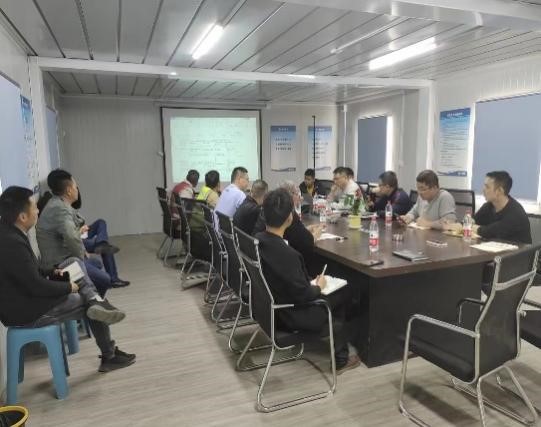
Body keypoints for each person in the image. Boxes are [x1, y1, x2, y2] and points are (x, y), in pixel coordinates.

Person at [0, 186, 135, 372]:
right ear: (22, 216)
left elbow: (31, 272)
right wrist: (68, 288)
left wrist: (52, 271)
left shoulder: (9, 233)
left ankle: (94, 299)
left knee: (74, 262)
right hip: (28, 311)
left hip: (27, 300)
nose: (37, 210)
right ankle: (109, 355)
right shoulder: (12, 243)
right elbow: (36, 286)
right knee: (88, 303)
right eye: (34, 207)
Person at [255, 188, 360, 374]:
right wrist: (318, 287)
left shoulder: (258, 241)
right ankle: (341, 358)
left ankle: (339, 345)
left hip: (268, 310)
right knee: (344, 292)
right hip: (291, 315)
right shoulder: (288, 255)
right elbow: (305, 295)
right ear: (290, 217)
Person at [37, 170, 113, 296]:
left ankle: (91, 298)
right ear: (69, 190)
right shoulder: (59, 208)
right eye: (75, 186)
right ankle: (91, 303)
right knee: (105, 280)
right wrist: (82, 255)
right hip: (58, 266)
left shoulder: (59, 203)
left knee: (97, 263)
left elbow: (72, 232)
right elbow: (71, 237)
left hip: (64, 257)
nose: (77, 189)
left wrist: (82, 251)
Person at [253, 181, 324, 277]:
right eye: (297, 194)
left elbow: (291, 233)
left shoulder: (267, 211)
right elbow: (307, 242)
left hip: (266, 270)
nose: (300, 197)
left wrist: (306, 229)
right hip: (288, 271)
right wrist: (317, 233)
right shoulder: (292, 256)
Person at [445, 171, 531, 243]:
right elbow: (472, 220)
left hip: (517, 255)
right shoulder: (489, 206)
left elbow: (489, 232)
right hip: (495, 251)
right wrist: (453, 225)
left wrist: (468, 226)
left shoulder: (515, 213)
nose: (483, 189)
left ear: (499, 191)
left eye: (487, 187)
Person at [70, 189, 129, 288]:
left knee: (101, 222)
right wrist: (83, 249)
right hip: (78, 238)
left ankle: (101, 243)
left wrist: (81, 228)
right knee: (107, 247)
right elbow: (69, 236)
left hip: (81, 233)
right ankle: (113, 279)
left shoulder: (68, 207)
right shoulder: (62, 211)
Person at [189, 170, 221, 261]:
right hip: (203, 230)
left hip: (194, 228)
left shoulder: (203, 190)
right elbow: (221, 212)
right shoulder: (213, 195)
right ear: (218, 183)